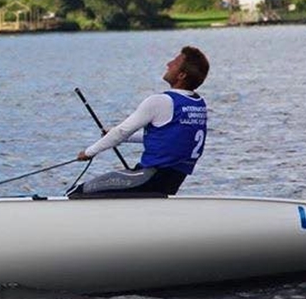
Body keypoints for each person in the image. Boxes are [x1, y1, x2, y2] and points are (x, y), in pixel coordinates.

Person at [67, 46, 209, 197]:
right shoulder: (197, 104)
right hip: (171, 182)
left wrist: (88, 152)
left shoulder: (161, 101)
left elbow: (121, 132)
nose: (168, 64)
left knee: (76, 192)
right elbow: (170, 139)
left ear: (181, 75)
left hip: (149, 178)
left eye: (174, 63)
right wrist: (125, 138)